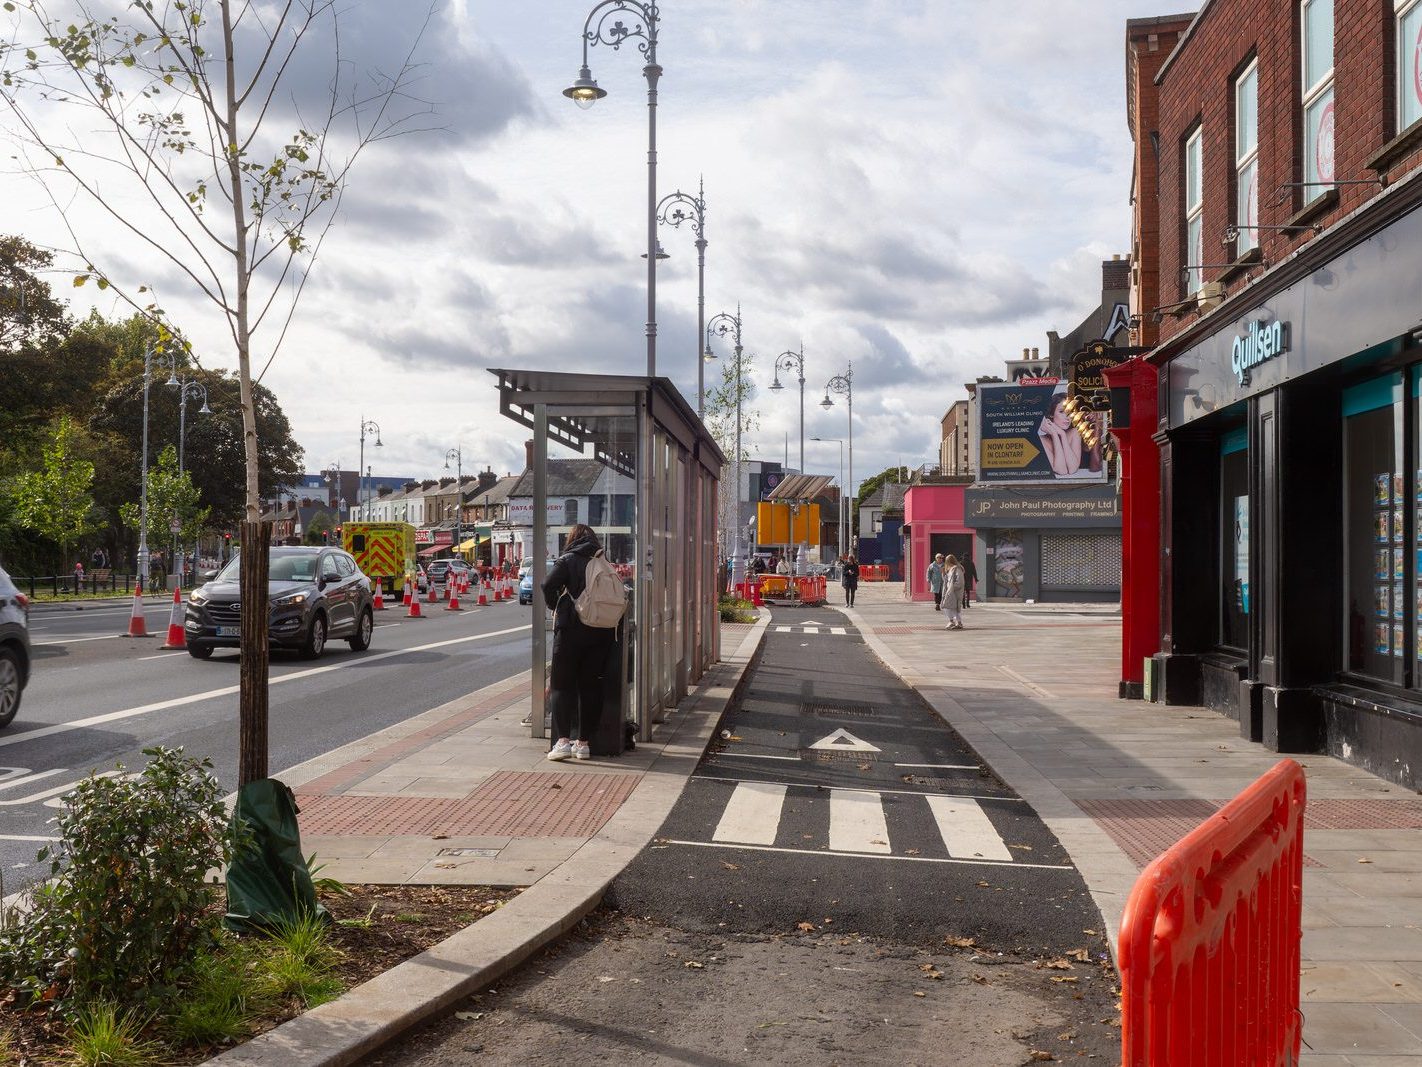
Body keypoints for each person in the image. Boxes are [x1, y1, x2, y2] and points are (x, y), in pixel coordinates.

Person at [542, 523, 616, 762]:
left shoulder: (568, 560)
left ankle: (563, 741)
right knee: (591, 686)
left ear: (571, 539)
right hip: (601, 631)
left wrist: (557, 606)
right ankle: (583, 744)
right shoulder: (604, 562)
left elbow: (548, 585)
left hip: (571, 631)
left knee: (562, 685)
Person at [1037, 394, 1085, 477]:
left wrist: (1062, 435)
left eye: (1070, 412)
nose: (1067, 418)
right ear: (1051, 414)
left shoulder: (1075, 432)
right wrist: (1055, 435)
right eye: (1062, 412)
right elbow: (1061, 471)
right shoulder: (1041, 440)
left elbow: (1073, 469)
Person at [943, 554, 965, 630]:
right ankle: (953, 621)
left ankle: (957, 622)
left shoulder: (957, 568)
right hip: (950, 591)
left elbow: (960, 582)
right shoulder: (951, 569)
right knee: (949, 606)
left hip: (955, 592)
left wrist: (952, 587)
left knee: (953, 607)